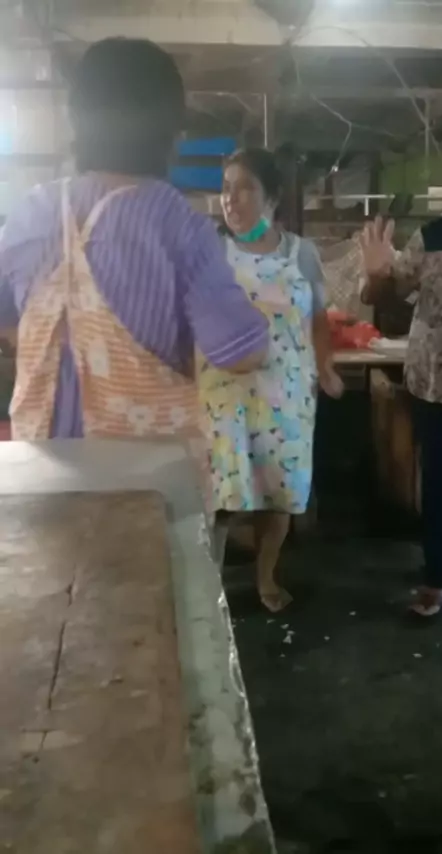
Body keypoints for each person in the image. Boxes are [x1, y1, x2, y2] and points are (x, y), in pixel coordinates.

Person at [0, 39, 268, 477]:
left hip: (40, 476)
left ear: (77, 120)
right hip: (148, 484)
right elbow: (239, 352)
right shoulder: (177, 223)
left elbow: (7, 321)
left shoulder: (30, 212)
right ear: (171, 132)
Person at [198, 148, 343, 612]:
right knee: (222, 496)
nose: (231, 198)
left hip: (287, 391)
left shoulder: (302, 254)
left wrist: (325, 366)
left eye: (245, 188)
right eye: (226, 188)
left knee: (278, 492)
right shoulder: (212, 253)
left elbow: (317, 318)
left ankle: (265, 579)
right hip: (223, 395)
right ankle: (208, 589)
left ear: (272, 198)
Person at [361, 136, 442, 617]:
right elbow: (381, 295)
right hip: (438, 383)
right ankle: (436, 581)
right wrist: (375, 274)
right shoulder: (434, 236)